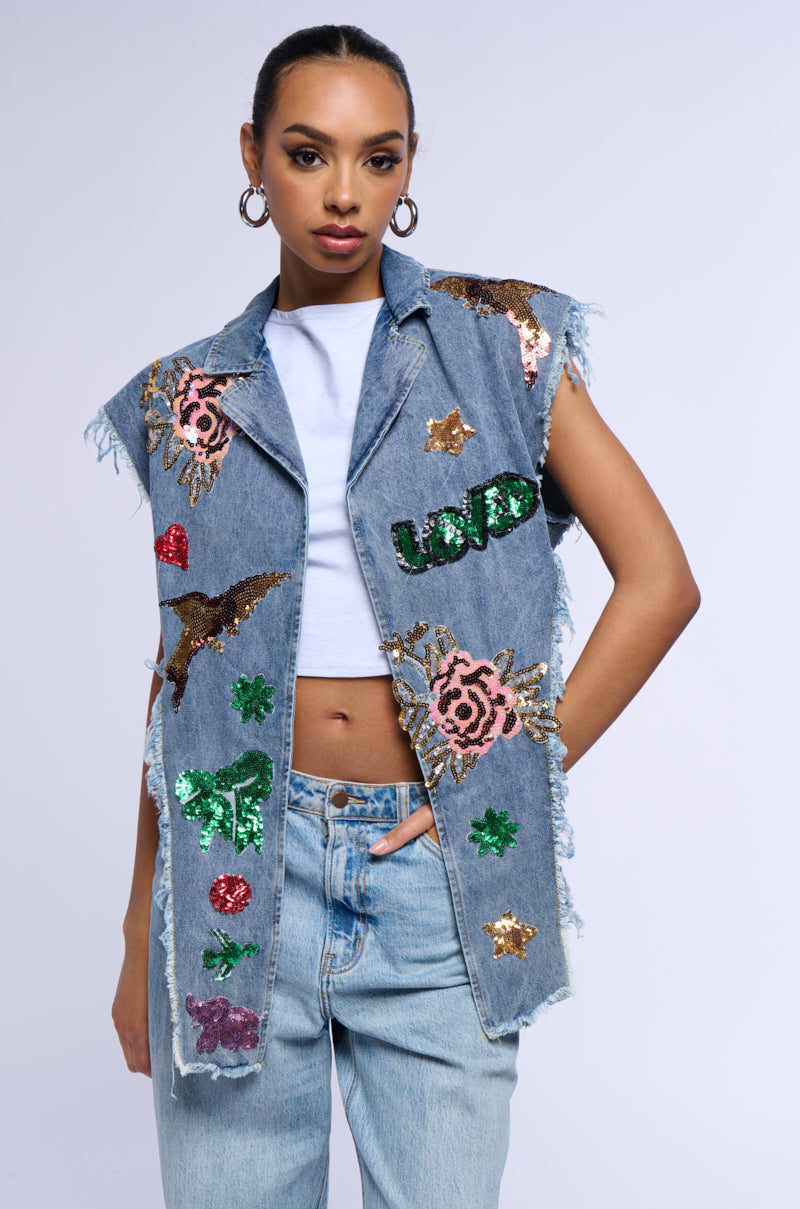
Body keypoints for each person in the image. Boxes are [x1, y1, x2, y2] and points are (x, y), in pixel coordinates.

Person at [87, 23, 700, 1209]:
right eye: (307, 153)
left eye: (379, 158)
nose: (343, 194)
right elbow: (181, 675)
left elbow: (659, 579)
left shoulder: (498, 343)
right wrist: (134, 934)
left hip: (432, 878)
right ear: (252, 155)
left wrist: (511, 770)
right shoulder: (186, 399)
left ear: (410, 165)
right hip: (233, 873)